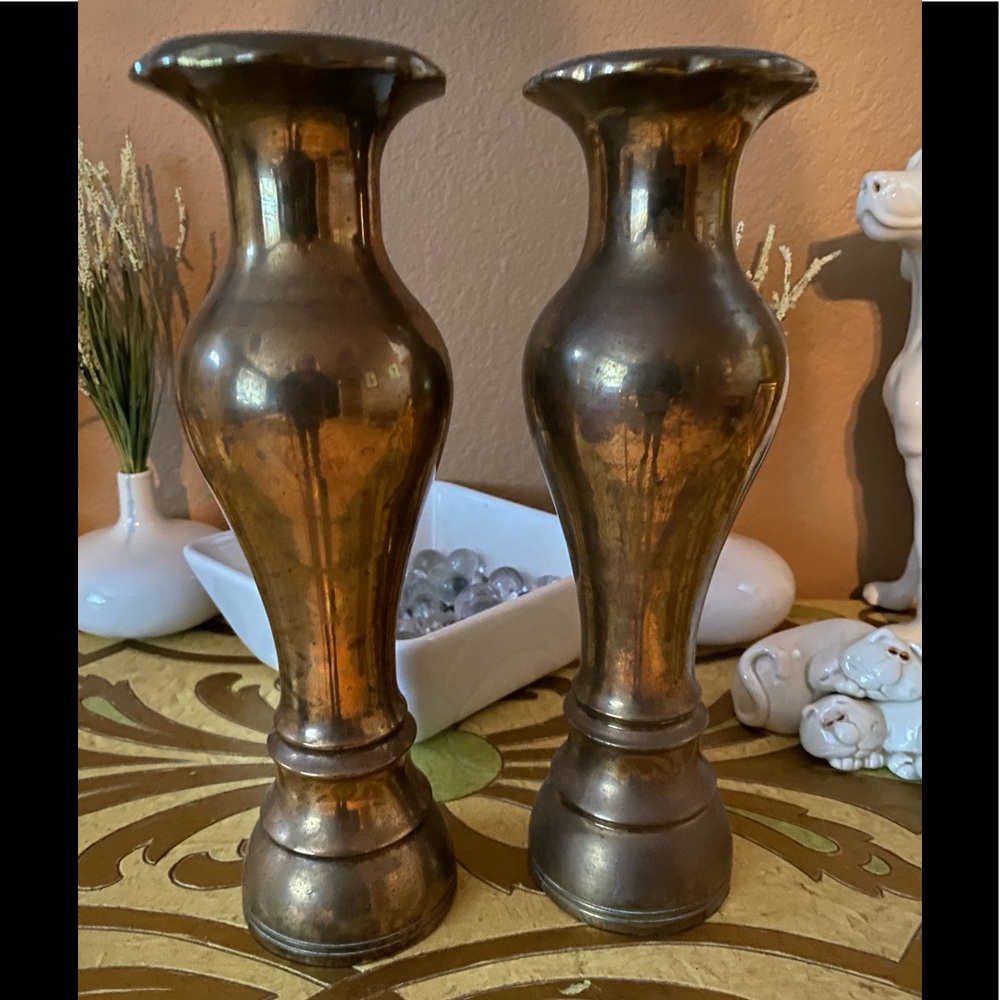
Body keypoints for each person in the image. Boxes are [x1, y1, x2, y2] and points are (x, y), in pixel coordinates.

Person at [278, 354, 341, 474]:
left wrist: (326, 410)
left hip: (313, 415)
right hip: (299, 415)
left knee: (314, 440)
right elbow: (282, 388)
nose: (305, 365)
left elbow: (331, 391)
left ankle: (316, 464)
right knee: (303, 441)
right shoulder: (292, 378)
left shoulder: (320, 378)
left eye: (308, 362)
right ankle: (307, 464)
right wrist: (286, 406)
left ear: (312, 364)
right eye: (303, 362)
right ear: (299, 364)